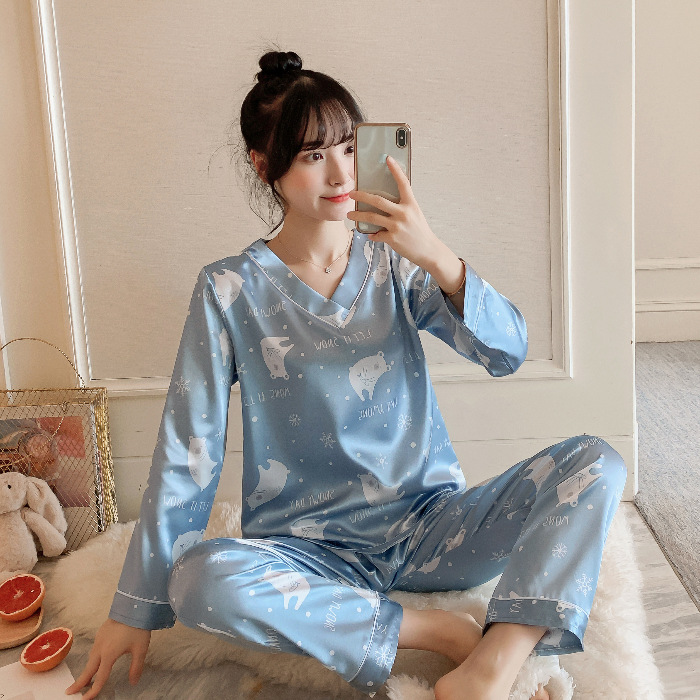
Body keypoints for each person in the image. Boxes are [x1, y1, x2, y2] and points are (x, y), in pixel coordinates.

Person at [66, 50, 627, 700]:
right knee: (197, 580)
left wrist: (437, 256)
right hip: (309, 551)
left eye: (349, 148)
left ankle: (495, 660)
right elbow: (188, 450)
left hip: (430, 526)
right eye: (312, 155)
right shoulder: (228, 290)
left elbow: (508, 352)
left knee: (596, 462)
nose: (340, 174)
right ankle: (441, 632)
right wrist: (134, 607)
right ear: (264, 165)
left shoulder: (397, 263)